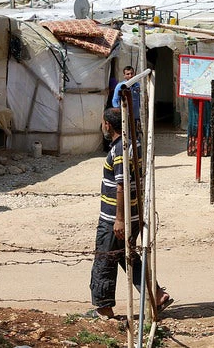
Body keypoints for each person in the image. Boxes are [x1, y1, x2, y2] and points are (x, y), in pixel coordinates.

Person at [89, 107, 172, 319]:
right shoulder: (135, 145)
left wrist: (119, 219)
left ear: (108, 125)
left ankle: (103, 308)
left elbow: (121, 185)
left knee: (105, 260)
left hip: (116, 219)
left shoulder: (120, 150)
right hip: (133, 215)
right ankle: (156, 293)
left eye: (103, 123)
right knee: (128, 257)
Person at [112, 66, 141, 130]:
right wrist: (118, 111)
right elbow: (115, 100)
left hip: (135, 116)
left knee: (136, 135)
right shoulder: (120, 86)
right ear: (124, 76)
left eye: (132, 73)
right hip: (125, 116)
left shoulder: (137, 85)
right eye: (128, 74)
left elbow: (139, 99)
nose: (130, 75)